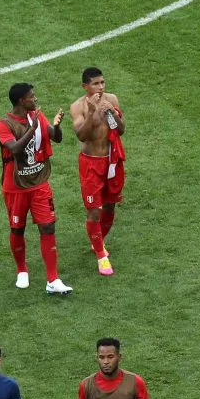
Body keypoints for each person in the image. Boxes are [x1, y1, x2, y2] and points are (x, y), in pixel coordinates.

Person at [0, 83, 72, 294]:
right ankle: (22, 270)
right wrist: (32, 127)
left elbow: (56, 137)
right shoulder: (3, 124)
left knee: (48, 226)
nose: (35, 99)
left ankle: (53, 280)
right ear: (21, 101)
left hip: (39, 184)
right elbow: (15, 148)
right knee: (17, 229)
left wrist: (56, 126)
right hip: (15, 187)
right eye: (31, 96)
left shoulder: (36, 115)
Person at [70, 67, 126, 276]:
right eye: (95, 84)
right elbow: (82, 136)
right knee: (94, 210)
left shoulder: (111, 99)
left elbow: (120, 130)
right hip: (91, 164)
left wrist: (111, 113)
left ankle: (98, 242)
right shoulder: (78, 107)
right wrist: (92, 112)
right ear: (85, 86)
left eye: (102, 83)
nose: (100, 88)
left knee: (110, 207)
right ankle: (102, 257)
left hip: (111, 161)